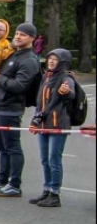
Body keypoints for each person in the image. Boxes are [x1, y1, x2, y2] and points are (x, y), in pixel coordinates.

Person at [0, 22, 39, 199]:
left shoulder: (29, 60)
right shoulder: (13, 54)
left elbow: (20, 86)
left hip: (10, 108)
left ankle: (14, 184)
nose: (18, 37)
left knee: (12, 147)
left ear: (32, 39)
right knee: (2, 147)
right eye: (17, 33)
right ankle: (1, 179)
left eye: (23, 35)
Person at [29, 49, 79, 208]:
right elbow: (39, 102)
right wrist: (36, 120)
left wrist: (66, 92)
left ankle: (55, 193)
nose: (51, 61)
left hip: (58, 124)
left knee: (54, 159)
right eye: (49, 58)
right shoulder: (46, 77)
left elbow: (70, 93)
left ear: (62, 62)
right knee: (45, 160)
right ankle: (46, 190)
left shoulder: (66, 77)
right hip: (44, 123)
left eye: (55, 59)